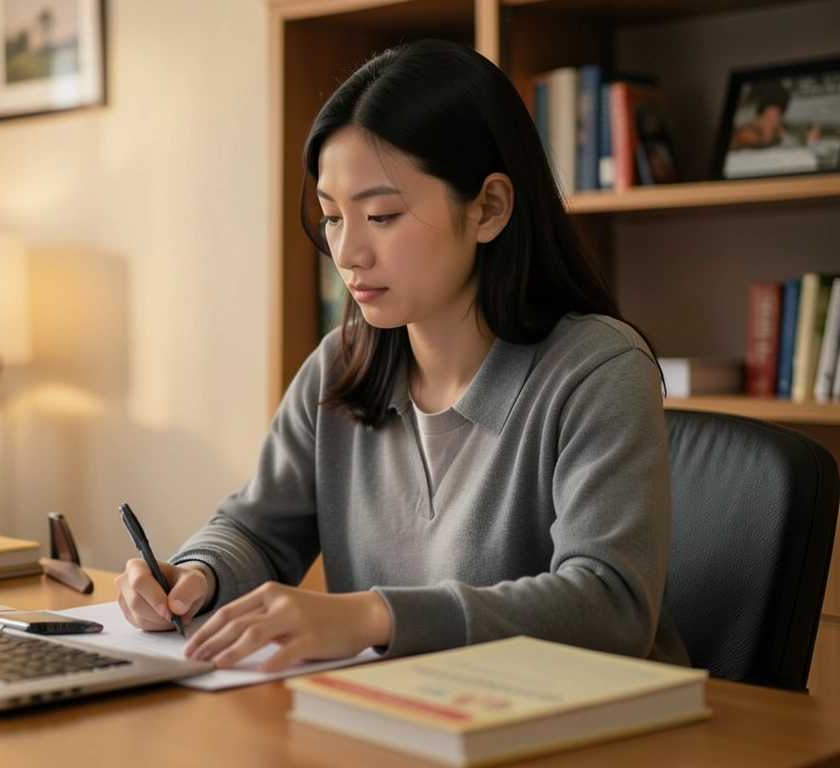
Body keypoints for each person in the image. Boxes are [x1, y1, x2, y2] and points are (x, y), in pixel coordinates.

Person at [114, 39, 691, 673]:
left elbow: (610, 608)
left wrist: (374, 617)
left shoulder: (597, 370)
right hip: (399, 721)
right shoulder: (341, 365)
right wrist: (198, 572)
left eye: (382, 216)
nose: (348, 253)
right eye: (333, 218)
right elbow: (255, 530)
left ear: (489, 208)